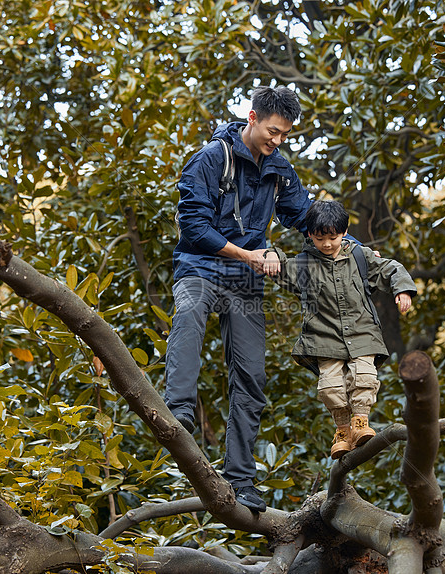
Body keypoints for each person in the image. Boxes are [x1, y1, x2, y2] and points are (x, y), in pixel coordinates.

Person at [165, 86, 313, 512]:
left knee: (251, 375)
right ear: (251, 118)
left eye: (285, 134)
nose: (277, 140)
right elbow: (193, 228)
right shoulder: (212, 158)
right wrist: (248, 254)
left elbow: (306, 218)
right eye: (273, 131)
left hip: (245, 281)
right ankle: (177, 414)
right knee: (189, 314)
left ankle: (241, 479)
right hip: (201, 266)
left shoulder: (279, 168)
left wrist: (350, 244)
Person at [263, 200, 417, 459]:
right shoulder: (305, 264)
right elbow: (282, 268)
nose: (326, 244)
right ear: (310, 234)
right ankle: (343, 430)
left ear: (344, 233)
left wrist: (402, 289)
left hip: (363, 332)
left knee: (364, 378)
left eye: (333, 237)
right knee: (330, 387)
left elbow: (390, 268)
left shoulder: (360, 256)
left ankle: (360, 422)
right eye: (320, 238)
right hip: (323, 338)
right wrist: (270, 255)